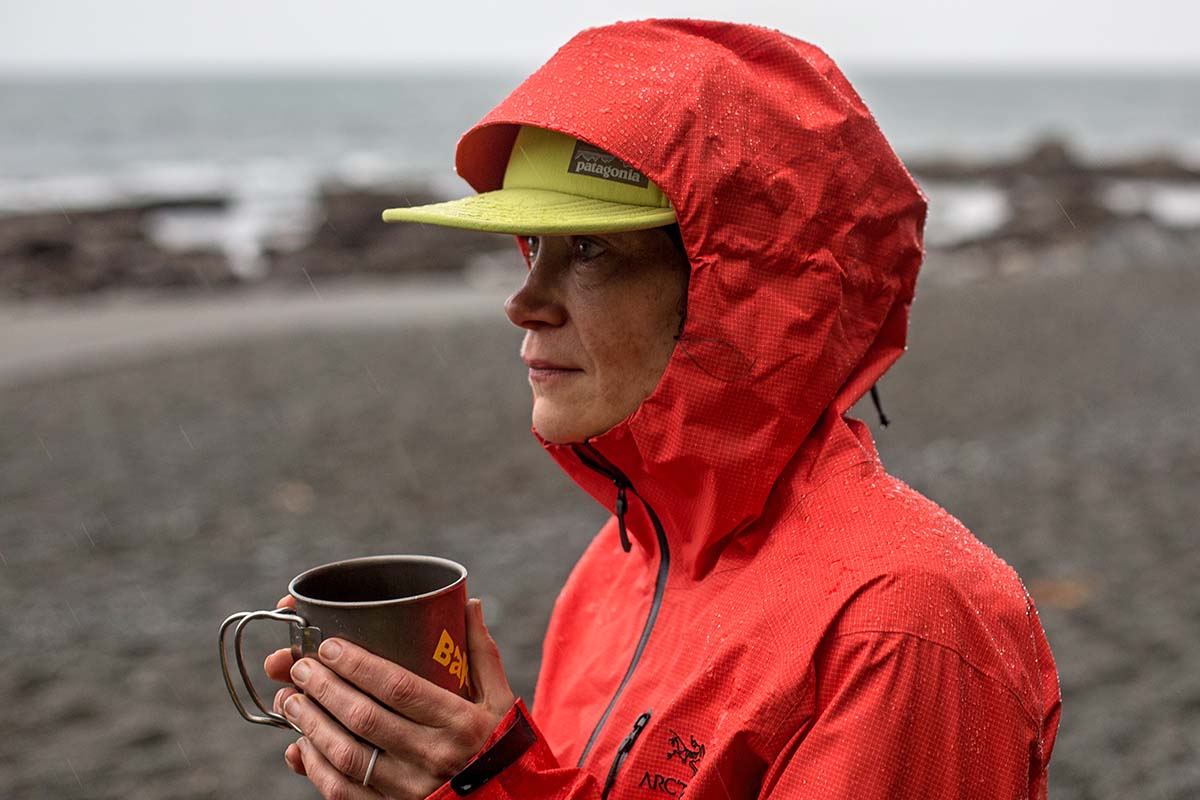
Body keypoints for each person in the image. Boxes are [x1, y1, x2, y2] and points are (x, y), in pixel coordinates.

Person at [263, 18, 1062, 799]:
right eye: (532, 247)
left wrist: (484, 787)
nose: (524, 302)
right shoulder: (620, 565)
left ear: (744, 292)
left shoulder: (900, 625)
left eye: (591, 250)